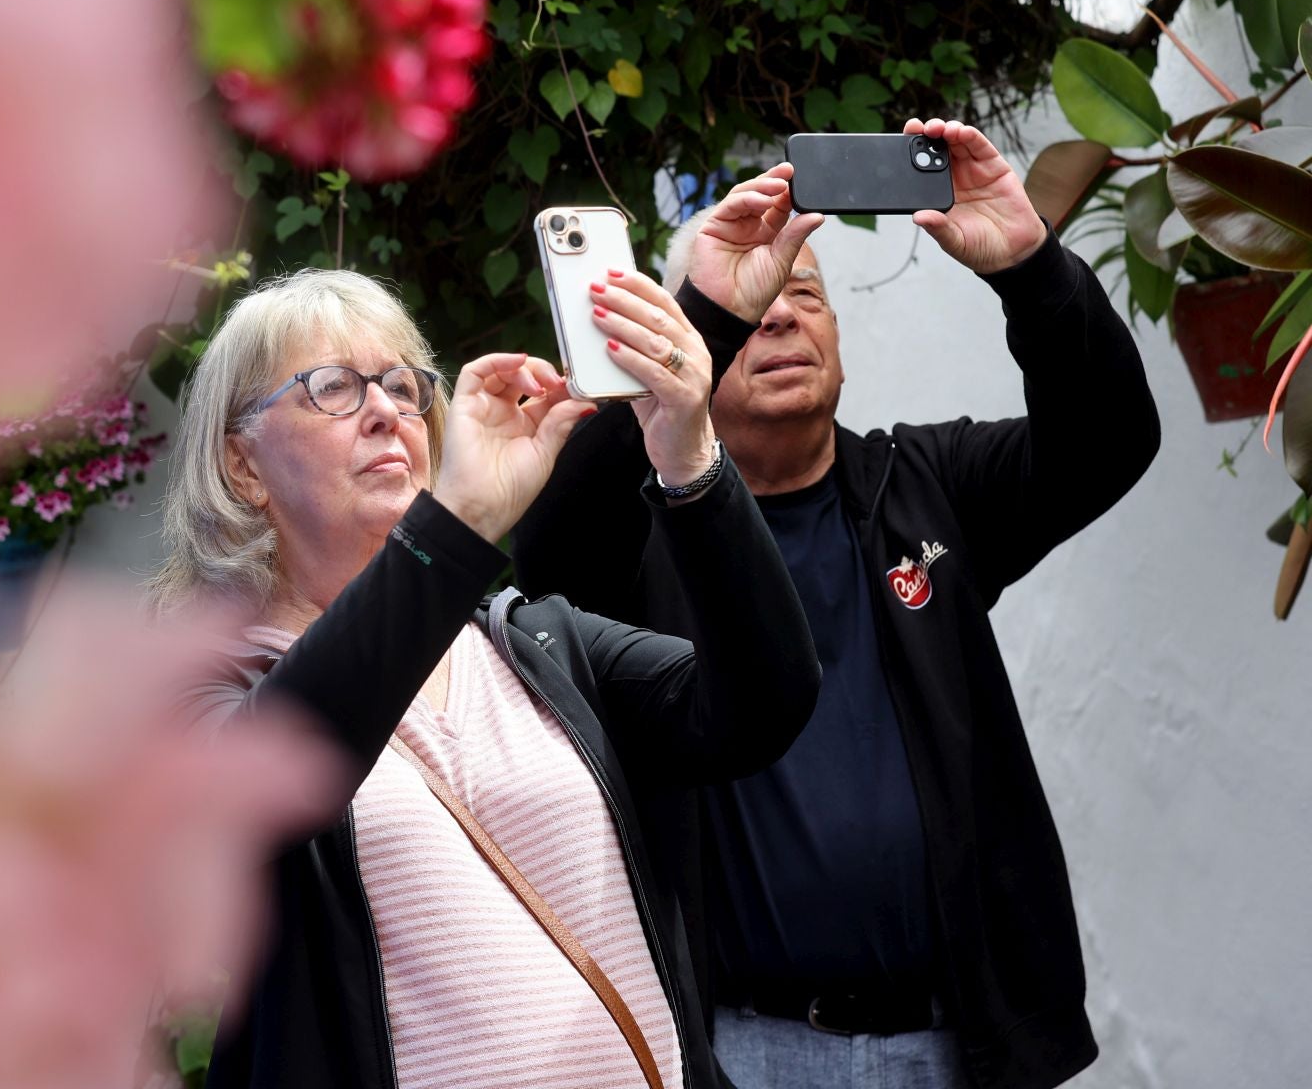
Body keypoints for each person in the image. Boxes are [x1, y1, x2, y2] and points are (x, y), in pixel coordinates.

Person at [514, 118, 1163, 1089]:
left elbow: (1108, 437)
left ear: (842, 345)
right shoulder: (646, 536)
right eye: (758, 306)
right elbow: (551, 543)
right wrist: (708, 315)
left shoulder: (925, 484)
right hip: (739, 1045)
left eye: (804, 296)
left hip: (949, 1044)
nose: (781, 318)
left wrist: (1030, 267)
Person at [153, 266, 821, 1089]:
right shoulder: (200, 694)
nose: (384, 411)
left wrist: (689, 458)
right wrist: (458, 526)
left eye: (402, 384)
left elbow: (763, 703)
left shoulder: (535, 644)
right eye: (332, 388)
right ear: (243, 468)